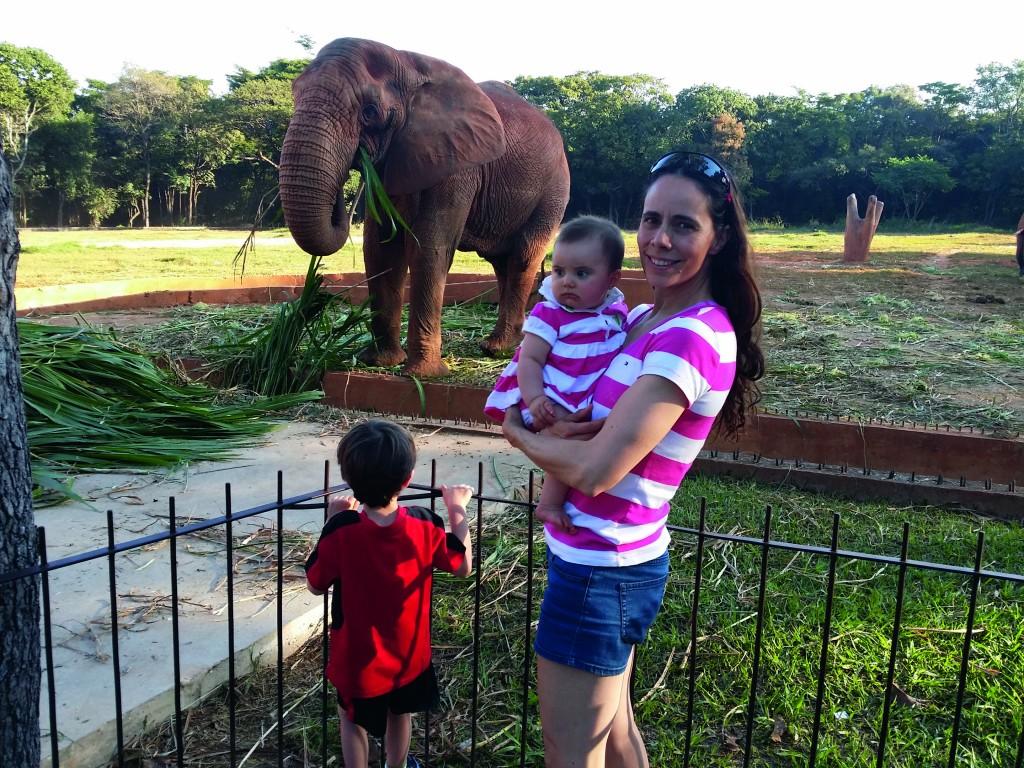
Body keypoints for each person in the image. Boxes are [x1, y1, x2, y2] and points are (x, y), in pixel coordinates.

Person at [501, 151, 764, 767]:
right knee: (614, 735)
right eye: (650, 220)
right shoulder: (643, 318)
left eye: (684, 225)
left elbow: (597, 472)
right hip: (600, 557)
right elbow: (597, 418)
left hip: (602, 570)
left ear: (720, 237)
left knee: (571, 753)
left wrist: (519, 434)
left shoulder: (691, 336)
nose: (660, 239)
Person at [304, 419, 474, 768]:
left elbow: (315, 583)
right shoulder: (424, 523)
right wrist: (457, 508)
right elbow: (462, 565)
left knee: (351, 720)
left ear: (350, 479)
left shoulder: (342, 531)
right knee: (400, 713)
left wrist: (332, 519)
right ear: (407, 479)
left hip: (357, 662)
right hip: (409, 656)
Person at [484, 215, 628, 531]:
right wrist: (535, 399)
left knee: (586, 437)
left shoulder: (615, 311)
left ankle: (560, 495)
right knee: (577, 435)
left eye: (581, 273)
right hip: (550, 396)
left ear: (612, 279)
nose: (567, 281)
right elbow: (530, 360)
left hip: (579, 396)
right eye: (559, 271)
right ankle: (549, 503)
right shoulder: (550, 313)